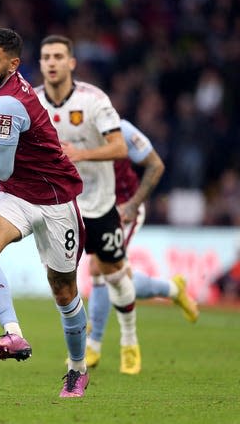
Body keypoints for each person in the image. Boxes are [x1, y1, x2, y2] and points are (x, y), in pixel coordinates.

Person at [0, 28, 89, 398]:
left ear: (13, 65)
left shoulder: (9, 105)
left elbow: (1, 169)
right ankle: (14, 334)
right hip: (17, 195)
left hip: (54, 199)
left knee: (64, 290)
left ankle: (77, 368)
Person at [36, 34, 142, 375]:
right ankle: (80, 353)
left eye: (58, 56)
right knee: (60, 280)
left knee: (113, 275)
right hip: (59, 207)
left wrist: (81, 153)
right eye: (46, 57)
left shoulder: (94, 100)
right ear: (40, 64)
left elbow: (119, 148)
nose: (51, 62)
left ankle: (129, 340)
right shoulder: (32, 101)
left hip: (98, 204)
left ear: (71, 63)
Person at [84, 119, 199, 368]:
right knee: (112, 276)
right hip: (93, 210)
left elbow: (156, 165)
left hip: (123, 210)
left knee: (99, 269)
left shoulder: (121, 130)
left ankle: (93, 346)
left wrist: (134, 204)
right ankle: (172, 290)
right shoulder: (74, 134)